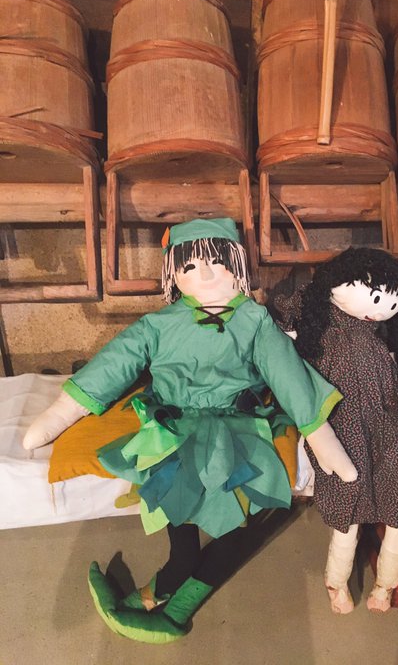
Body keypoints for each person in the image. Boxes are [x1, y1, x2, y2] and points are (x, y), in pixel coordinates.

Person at [23, 218, 357, 643]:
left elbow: (287, 373)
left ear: (237, 265)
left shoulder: (255, 321)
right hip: (176, 427)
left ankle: (163, 601)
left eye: (217, 261)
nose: (205, 273)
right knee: (184, 523)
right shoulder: (160, 324)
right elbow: (117, 361)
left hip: (235, 425)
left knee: (239, 522)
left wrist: (321, 435)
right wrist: (62, 412)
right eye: (190, 265)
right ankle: (168, 597)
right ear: (174, 274)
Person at [274, 246, 398, 613]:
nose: (380, 310)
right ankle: (336, 580)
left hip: (387, 407)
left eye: (391, 303)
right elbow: (285, 347)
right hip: (341, 413)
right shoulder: (318, 327)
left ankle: (386, 584)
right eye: (376, 298)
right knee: (350, 488)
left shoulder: (379, 334)